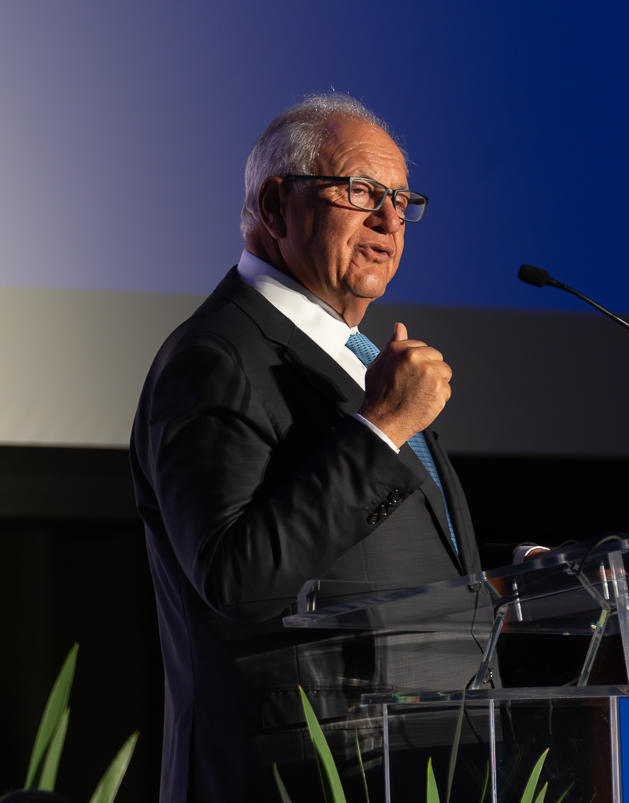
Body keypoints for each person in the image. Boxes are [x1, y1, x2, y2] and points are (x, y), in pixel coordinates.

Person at [130, 94, 495, 802]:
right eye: (361, 191)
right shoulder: (214, 358)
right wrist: (381, 428)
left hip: (416, 766)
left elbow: (364, 562)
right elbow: (233, 578)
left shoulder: (355, 357)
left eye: (401, 199)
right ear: (275, 204)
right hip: (303, 775)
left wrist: (501, 586)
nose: (390, 220)